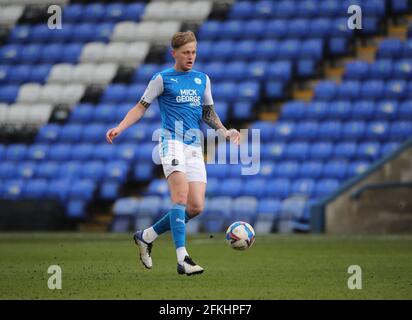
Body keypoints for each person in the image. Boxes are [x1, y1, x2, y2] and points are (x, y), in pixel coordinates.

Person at [106, 31, 240, 276]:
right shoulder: (162, 78)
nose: (191, 57)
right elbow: (140, 107)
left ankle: (146, 237)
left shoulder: (202, 79)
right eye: (186, 52)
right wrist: (120, 127)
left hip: (194, 146)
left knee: (196, 206)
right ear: (174, 54)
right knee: (180, 198)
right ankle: (183, 259)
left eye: (194, 52)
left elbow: (208, 113)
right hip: (171, 141)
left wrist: (224, 131)